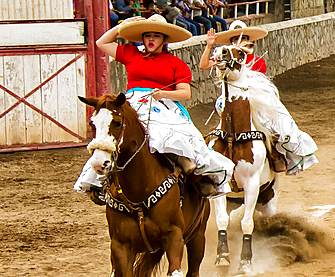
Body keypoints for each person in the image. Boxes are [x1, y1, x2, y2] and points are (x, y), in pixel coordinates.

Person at [73, 15, 233, 198]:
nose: (150, 39)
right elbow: (102, 43)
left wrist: (163, 94)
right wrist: (122, 27)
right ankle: (99, 180)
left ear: (164, 39)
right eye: (147, 35)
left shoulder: (176, 63)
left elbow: (185, 93)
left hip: (163, 103)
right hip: (132, 102)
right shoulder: (131, 53)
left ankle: (187, 167)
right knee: (110, 132)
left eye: (156, 36)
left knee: (176, 134)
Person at [200, 20, 318, 174]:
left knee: (276, 121)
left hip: (254, 96)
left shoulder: (257, 61)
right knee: (222, 109)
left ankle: (276, 150)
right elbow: (204, 66)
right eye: (235, 39)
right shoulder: (226, 60)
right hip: (230, 98)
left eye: (242, 39)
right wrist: (209, 47)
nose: (239, 42)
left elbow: (258, 84)